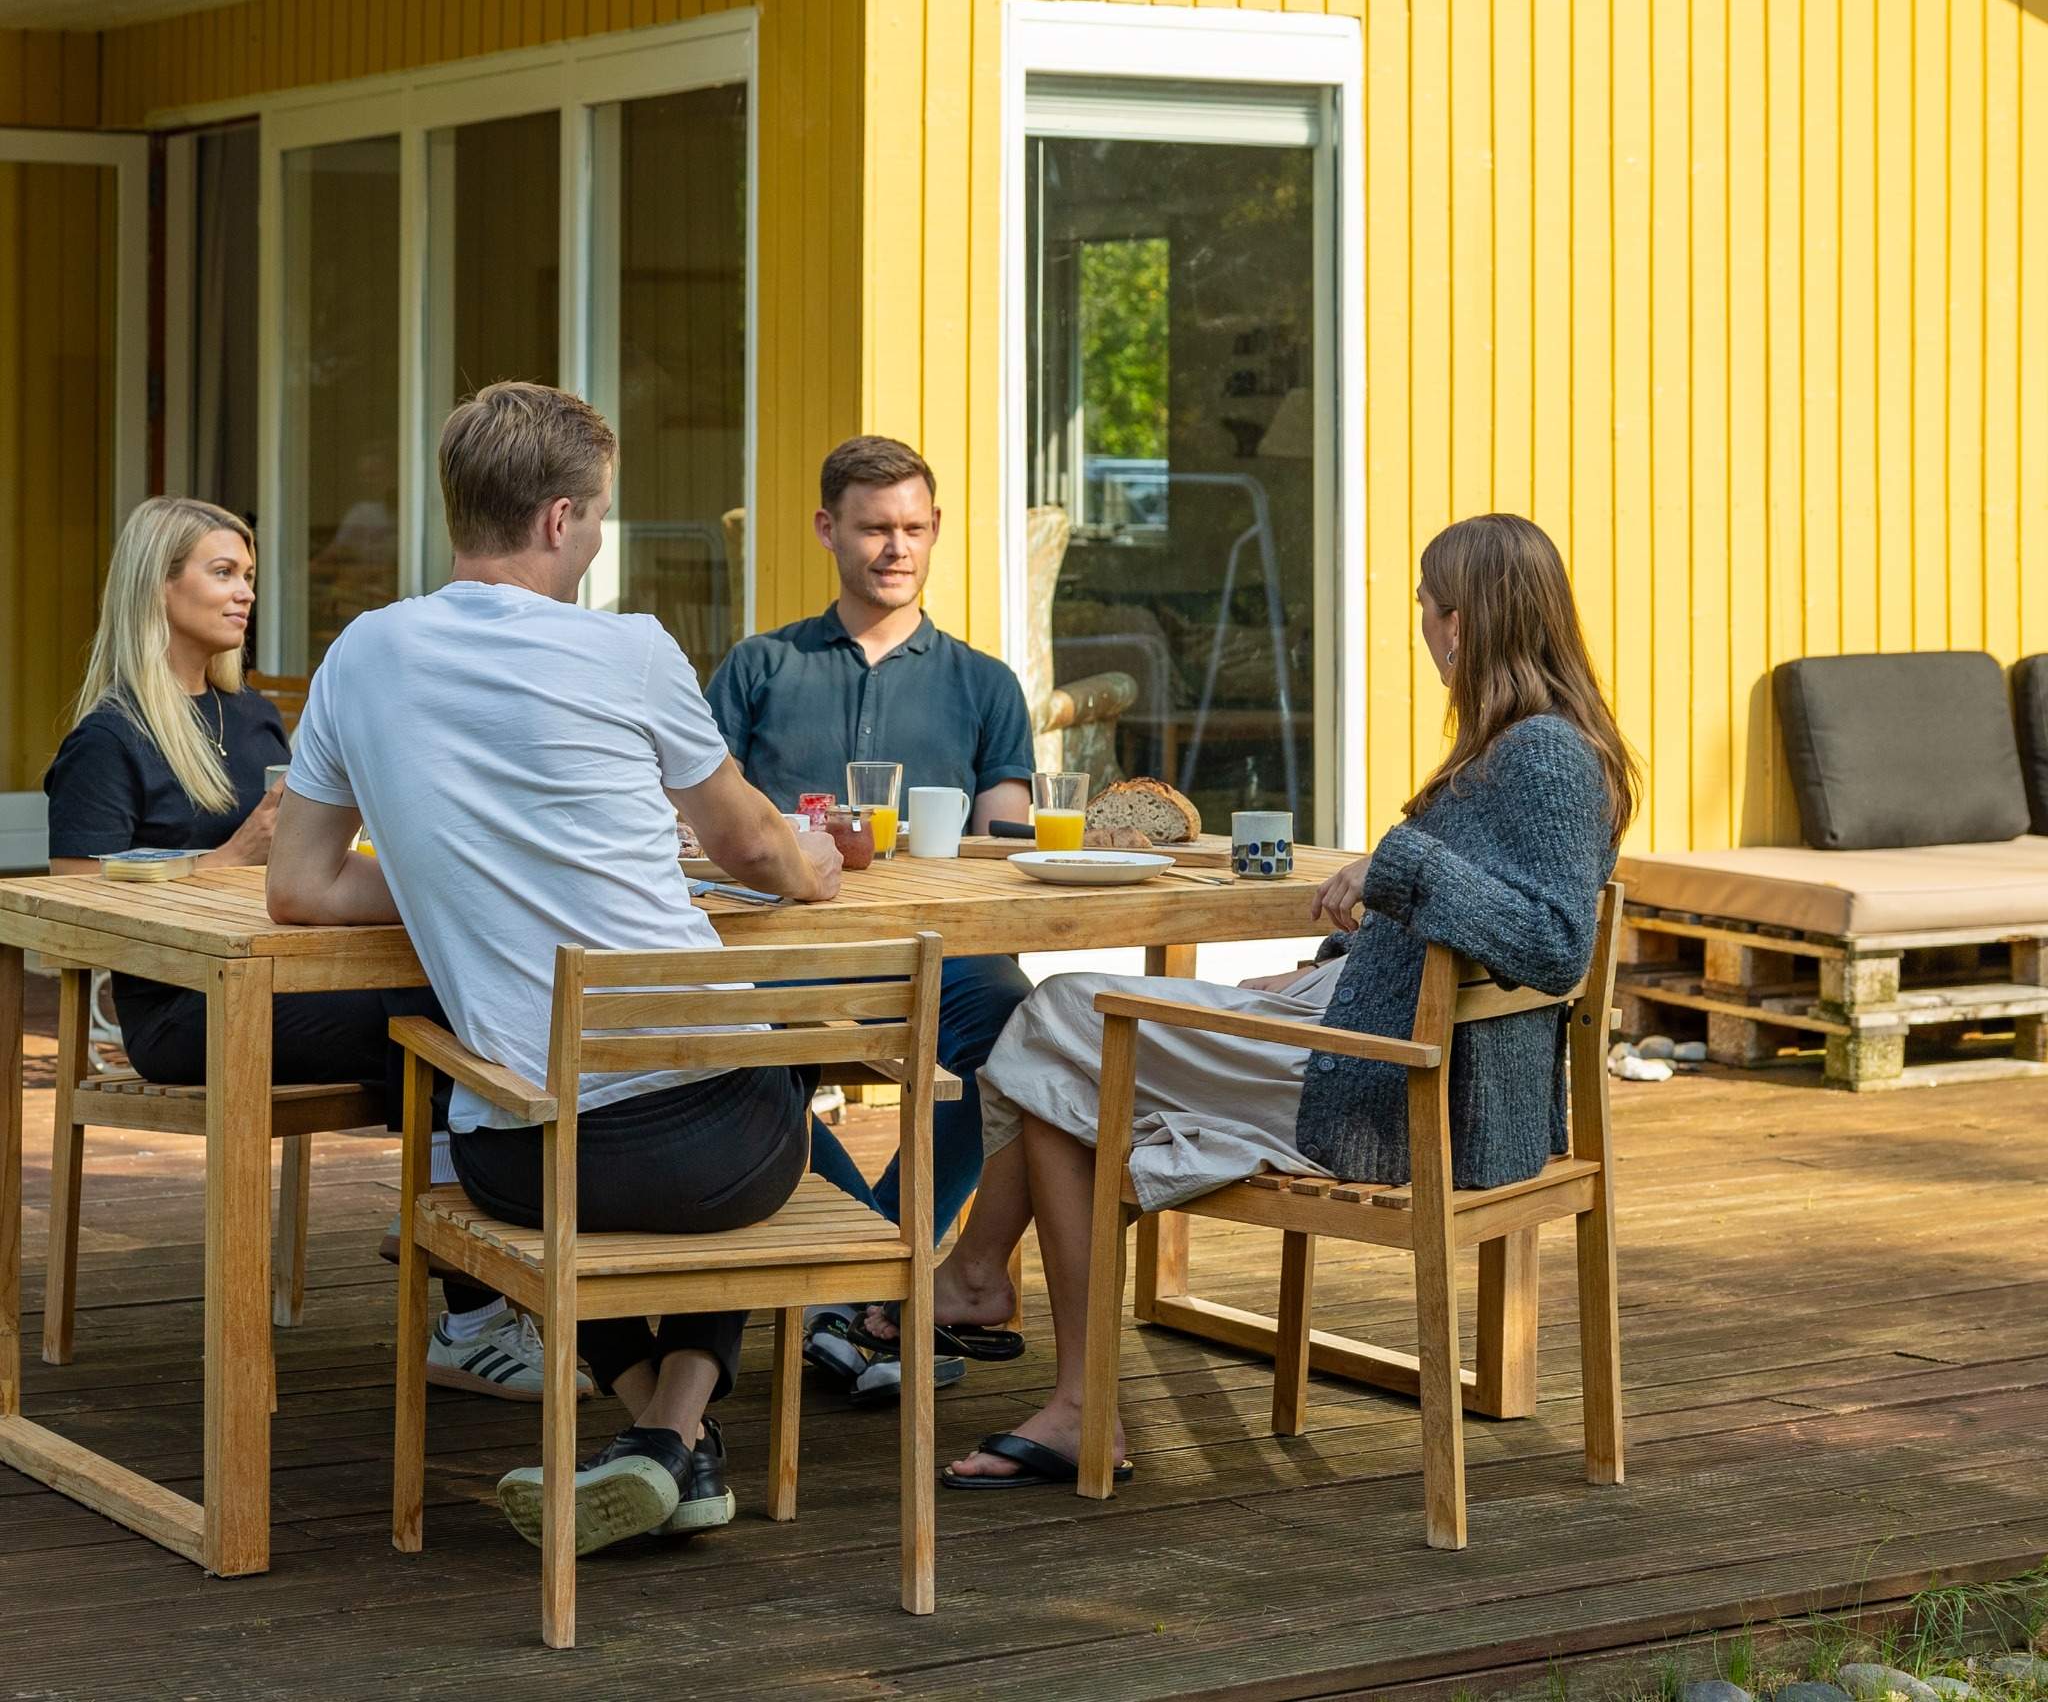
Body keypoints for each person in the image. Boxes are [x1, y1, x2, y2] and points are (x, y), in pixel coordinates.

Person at [900, 513, 1637, 1490]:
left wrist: (1397, 865)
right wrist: (1330, 958)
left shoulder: (1537, 753)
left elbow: (1549, 942)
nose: (1418, 625)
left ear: (1460, 622)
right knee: (1071, 1070)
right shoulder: (1525, 744)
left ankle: (985, 1285)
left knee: (1058, 1018)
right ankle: (1036, 1348)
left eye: (1424, 604)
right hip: (1366, 1029)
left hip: (1385, 1087)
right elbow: (1459, 929)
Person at [266, 381, 844, 1557]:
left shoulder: (362, 651)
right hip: (716, 1145)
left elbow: (302, 887)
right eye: (599, 519)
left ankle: (663, 1441)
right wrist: (818, 866)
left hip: (515, 1156)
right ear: (558, 521)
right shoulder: (627, 647)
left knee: (596, 1200)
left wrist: (456, 879)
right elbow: (747, 846)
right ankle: (674, 1432)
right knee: (763, 1082)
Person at [42, 496, 562, 1403]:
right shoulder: (109, 737)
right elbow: (73, 905)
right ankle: (475, 1312)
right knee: (439, 1023)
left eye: (248, 574)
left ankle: (476, 1271)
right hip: (179, 1012)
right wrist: (231, 857)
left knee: (460, 1014)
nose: (245, 593)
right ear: (155, 587)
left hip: (279, 983)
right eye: (222, 572)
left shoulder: (250, 721)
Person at [704, 435, 1038, 1397]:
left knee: (1019, 1026)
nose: (898, 548)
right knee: (726, 1048)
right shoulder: (760, 666)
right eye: (875, 528)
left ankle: (857, 1285)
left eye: (915, 529)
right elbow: (696, 819)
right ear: (827, 530)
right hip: (778, 952)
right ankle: (877, 1292)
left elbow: (1004, 847)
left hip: (937, 956)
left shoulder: (985, 684)